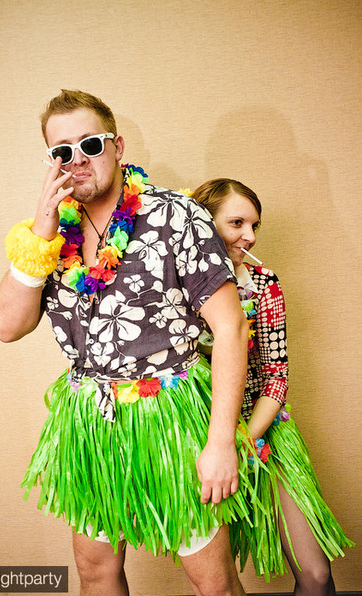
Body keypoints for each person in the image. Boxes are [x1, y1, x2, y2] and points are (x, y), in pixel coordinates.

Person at [0, 90, 268, 596]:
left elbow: (230, 328)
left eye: (90, 144)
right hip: (90, 425)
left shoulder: (176, 215)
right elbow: (7, 326)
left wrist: (220, 442)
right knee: (95, 572)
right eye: (62, 151)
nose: (77, 159)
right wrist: (42, 235)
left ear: (117, 146)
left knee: (214, 583)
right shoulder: (49, 237)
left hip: (170, 417)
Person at [191, 178, 354, 596]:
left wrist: (242, 441)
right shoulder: (174, 287)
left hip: (261, 432)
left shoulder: (263, 284)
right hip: (191, 438)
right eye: (237, 223)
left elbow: (277, 377)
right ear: (201, 223)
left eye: (255, 225)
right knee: (215, 581)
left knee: (316, 575)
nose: (250, 235)